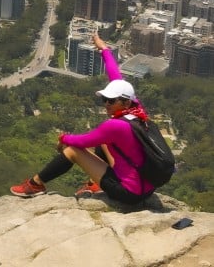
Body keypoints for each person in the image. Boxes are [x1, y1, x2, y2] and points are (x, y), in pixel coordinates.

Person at [10, 33, 155, 204]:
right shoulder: (137, 110)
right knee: (106, 143)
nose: (106, 104)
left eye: (111, 100)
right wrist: (104, 50)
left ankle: (35, 184)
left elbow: (82, 142)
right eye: (104, 99)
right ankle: (96, 183)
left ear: (125, 102)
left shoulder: (115, 126)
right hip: (145, 187)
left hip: (128, 193)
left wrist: (63, 138)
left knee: (72, 151)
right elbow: (116, 77)